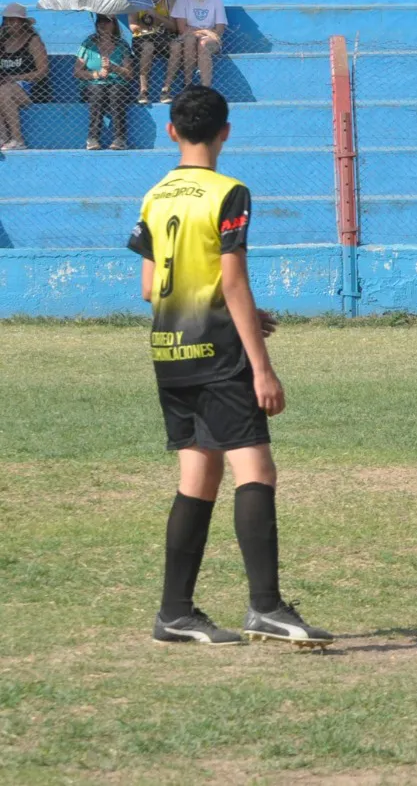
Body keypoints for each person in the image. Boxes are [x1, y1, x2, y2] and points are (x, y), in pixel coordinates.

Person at [127, 86, 332, 648]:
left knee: (198, 477)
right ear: (226, 131)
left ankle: (174, 613)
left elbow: (149, 288)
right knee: (256, 471)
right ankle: (265, 607)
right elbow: (233, 279)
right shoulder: (228, 192)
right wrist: (262, 368)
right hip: (218, 353)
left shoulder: (155, 195)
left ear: (171, 131)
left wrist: (226, 303)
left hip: (169, 351)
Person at [74, 14, 133, 150]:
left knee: (116, 91)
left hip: (116, 83)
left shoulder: (122, 45)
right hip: (93, 84)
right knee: (98, 91)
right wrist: (97, 74)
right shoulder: (88, 43)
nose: (103, 24)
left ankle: (120, 138)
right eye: (100, 21)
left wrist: (114, 68)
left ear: (114, 25)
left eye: (107, 21)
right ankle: (93, 138)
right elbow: (77, 72)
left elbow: (129, 74)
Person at [169, 0, 227, 97]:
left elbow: (219, 30)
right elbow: (182, 29)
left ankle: (206, 89)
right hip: (190, 39)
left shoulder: (216, 0)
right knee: (189, 40)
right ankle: (188, 84)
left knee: (203, 44)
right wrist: (206, 31)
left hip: (211, 41)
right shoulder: (183, 0)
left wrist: (203, 33)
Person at [128, 0, 180, 105]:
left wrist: (156, 15)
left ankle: (166, 89)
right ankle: (143, 90)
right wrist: (144, 27)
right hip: (143, 38)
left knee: (176, 46)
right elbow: (132, 25)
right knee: (148, 47)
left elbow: (174, 27)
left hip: (164, 37)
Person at [0, 3, 48, 151]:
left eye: (15, 20)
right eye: (8, 20)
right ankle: (3, 138)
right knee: (3, 90)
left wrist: (15, 78)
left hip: (30, 88)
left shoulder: (33, 41)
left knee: (5, 91)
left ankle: (17, 139)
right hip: (5, 87)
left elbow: (43, 71)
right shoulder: (2, 42)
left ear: (23, 23)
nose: (10, 24)